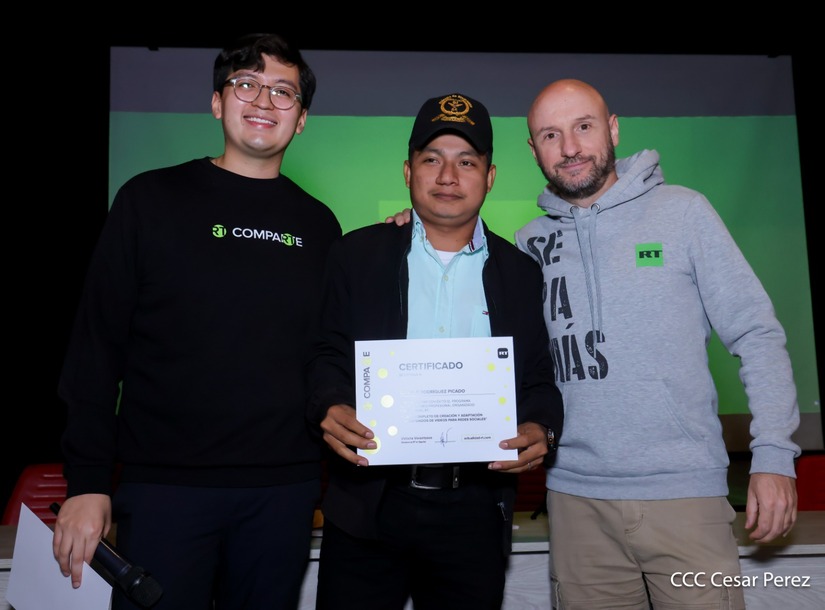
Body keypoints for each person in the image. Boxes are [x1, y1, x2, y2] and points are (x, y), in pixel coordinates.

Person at [53, 33, 342, 610]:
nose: (263, 101)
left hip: (282, 493)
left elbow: (328, 353)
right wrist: (86, 482)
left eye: (282, 91)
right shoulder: (148, 200)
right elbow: (95, 348)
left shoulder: (320, 225)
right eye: (246, 84)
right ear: (217, 102)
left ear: (302, 118)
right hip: (164, 489)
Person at [514, 78, 801, 610]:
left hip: (684, 496)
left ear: (613, 129)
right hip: (575, 503)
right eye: (551, 135)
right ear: (534, 149)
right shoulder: (530, 241)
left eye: (584, 127)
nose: (570, 147)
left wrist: (774, 457)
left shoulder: (684, 212)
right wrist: (411, 232)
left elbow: (757, 333)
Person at [305, 92, 564, 610]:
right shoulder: (356, 255)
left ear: (490, 177)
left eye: (466, 162)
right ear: (408, 171)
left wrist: (542, 428)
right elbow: (324, 352)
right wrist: (328, 403)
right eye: (431, 159)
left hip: (475, 511)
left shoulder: (520, 273)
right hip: (367, 507)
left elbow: (538, 378)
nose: (448, 176)